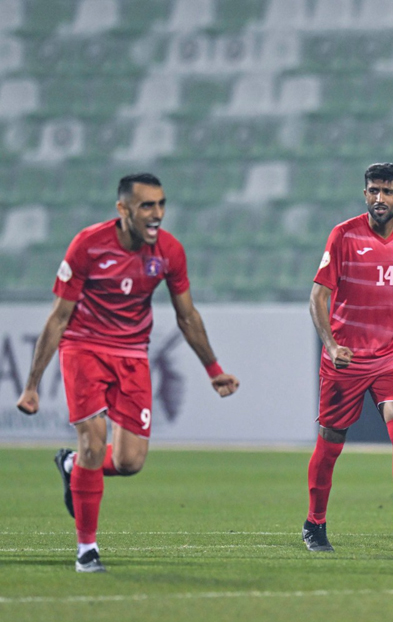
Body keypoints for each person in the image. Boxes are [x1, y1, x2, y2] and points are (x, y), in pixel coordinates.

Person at [15, 173, 240, 573]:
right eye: (146, 206)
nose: (156, 215)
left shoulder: (169, 251)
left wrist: (214, 368)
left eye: (161, 204)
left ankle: (72, 467)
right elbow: (58, 317)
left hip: (133, 355)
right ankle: (87, 550)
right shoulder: (88, 245)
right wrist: (32, 384)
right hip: (84, 349)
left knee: (129, 461)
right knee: (93, 441)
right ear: (123, 210)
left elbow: (186, 316)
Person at [303, 163, 393, 555]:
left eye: (388, 192)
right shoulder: (343, 236)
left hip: (391, 356)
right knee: (330, 443)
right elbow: (319, 296)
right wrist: (330, 345)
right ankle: (314, 523)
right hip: (345, 357)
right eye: (374, 191)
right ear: (365, 194)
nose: (380, 198)